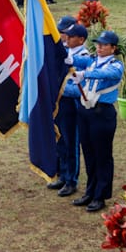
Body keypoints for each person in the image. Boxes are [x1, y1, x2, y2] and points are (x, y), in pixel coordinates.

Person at [71, 30, 124, 212]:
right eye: (98, 44)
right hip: (86, 112)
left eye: (104, 44)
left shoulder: (116, 65)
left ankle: (100, 195)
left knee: (102, 155)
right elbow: (75, 60)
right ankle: (90, 191)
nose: (99, 47)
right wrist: (66, 58)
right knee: (89, 153)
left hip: (103, 113)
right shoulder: (92, 61)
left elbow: (106, 74)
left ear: (113, 48)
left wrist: (84, 75)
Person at [47, 22, 89, 198]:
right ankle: (62, 174)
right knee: (60, 140)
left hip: (72, 104)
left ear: (80, 40)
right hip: (60, 103)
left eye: (70, 36)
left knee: (71, 142)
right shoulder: (69, 51)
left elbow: (81, 86)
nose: (66, 38)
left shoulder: (84, 57)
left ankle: (71, 180)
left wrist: (59, 89)